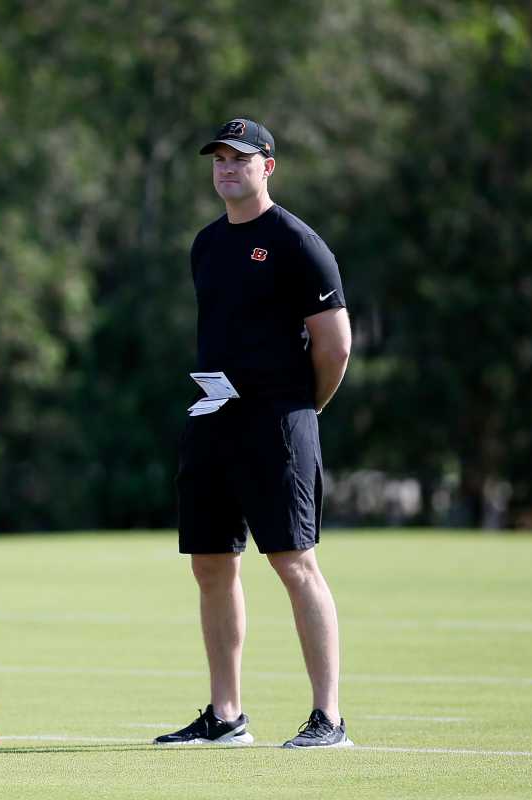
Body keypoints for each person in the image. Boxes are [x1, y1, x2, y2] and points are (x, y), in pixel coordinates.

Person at [155, 119, 354, 749]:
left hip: (279, 422)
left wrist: (303, 408)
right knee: (211, 565)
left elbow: (337, 345)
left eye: (239, 158)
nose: (225, 168)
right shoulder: (207, 243)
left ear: (268, 164)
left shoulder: (299, 243)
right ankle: (226, 715)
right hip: (214, 419)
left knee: (294, 563)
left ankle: (328, 718)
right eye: (218, 158)